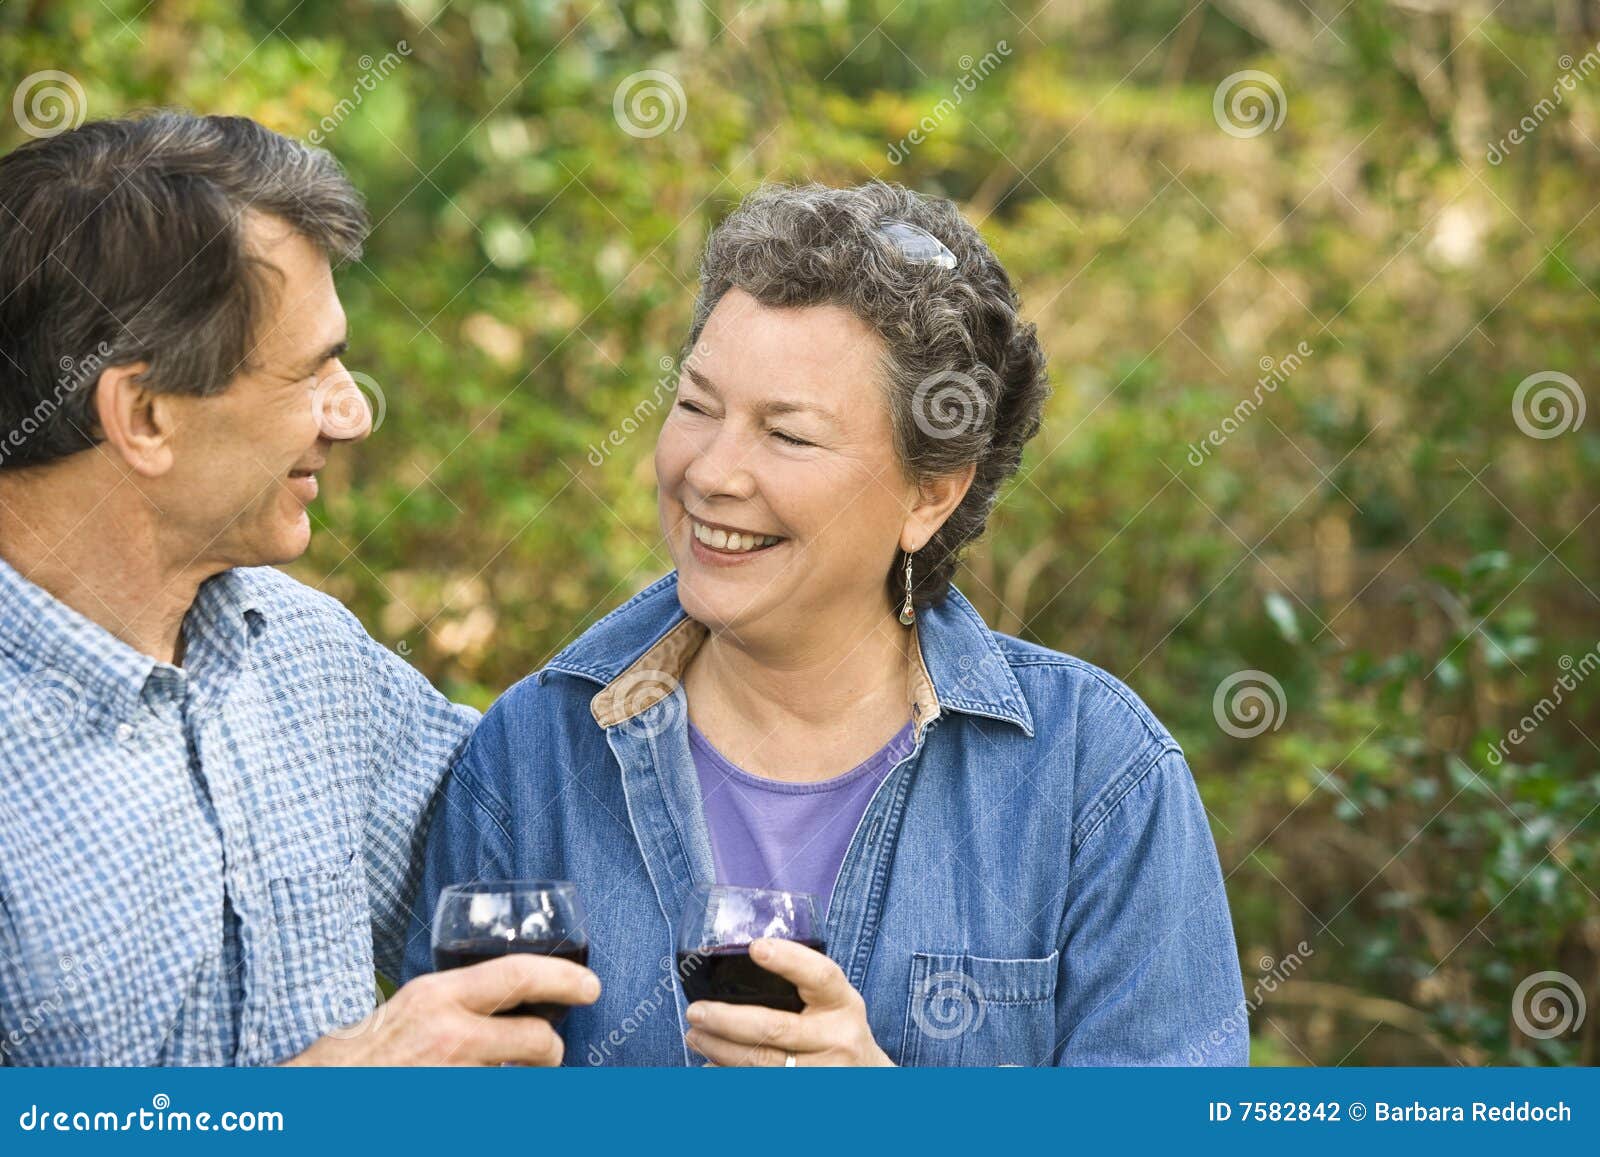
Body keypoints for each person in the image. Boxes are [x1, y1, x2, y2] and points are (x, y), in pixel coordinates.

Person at [406, 181, 1247, 1065]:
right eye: (696, 405)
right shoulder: (531, 754)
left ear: (930, 493)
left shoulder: (1096, 778)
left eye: (789, 435)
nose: (712, 473)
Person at [0, 112, 597, 1066]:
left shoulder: (305, 653)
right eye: (311, 369)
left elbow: (575, 843)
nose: (354, 413)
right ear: (145, 414)